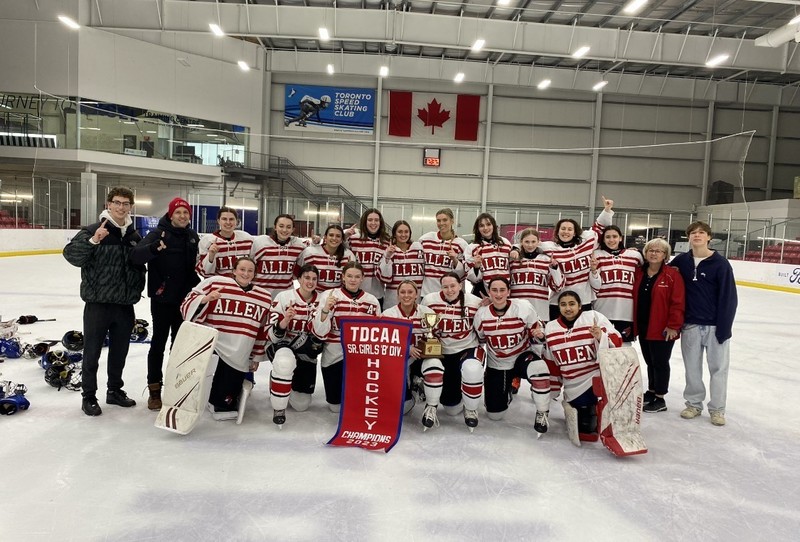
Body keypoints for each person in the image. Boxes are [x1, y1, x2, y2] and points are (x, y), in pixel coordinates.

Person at [63, 187, 146, 416]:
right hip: (98, 305)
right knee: (92, 353)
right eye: (117, 202)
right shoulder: (93, 230)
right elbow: (71, 256)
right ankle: (88, 396)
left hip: (124, 305)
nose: (121, 207)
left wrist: (137, 289)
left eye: (126, 203)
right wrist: (92, 241)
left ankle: (114, 391)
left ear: (131, 207)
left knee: (120, 352)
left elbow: (139, 268)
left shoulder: (133, 236)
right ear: (108, 204)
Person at [180, 256, 272, 420]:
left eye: (250, 270)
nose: (245, 273)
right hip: (211, 345)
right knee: (198, 384)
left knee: (223, 407)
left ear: (255, 274)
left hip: (239, 353)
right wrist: (205, 300)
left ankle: (219, 399)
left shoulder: (264, 298)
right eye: (242, 269)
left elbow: (261, 331)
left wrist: (256, 356)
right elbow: (187, 307)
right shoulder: (215, 283)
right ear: (234, 271)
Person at [130, 197, 200, 410]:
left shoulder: (192, 236)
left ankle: (177, 387)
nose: (182, 216)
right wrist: (153, 248)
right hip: (162, 299)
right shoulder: (157, 233)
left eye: (185, 213)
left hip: (184, 300)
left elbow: (193, 267)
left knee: (180, 347)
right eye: (178, 212)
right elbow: (135, 256)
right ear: (170, 215)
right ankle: (154, 390)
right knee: (158, 345)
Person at [670, 221, 738, 426]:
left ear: (709, 237)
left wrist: (724, 328)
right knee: (692, 368)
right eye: (693, 233)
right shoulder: (681, 261)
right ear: (688, 237)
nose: (697, 236)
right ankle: (693, 404)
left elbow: (729, 298)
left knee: (718, 369)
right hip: (690, 325)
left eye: (701, 233)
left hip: (716, 326)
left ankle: (717, 409)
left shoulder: (720, 264)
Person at [513, 197, 614, 320]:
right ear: (557, 231)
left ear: (575, 232)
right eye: (563, 229)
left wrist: (607, 209)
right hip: (559, 301)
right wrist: (515, 249)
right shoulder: (550, 247)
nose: (566, 232)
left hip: (583, 300)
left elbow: (600, 227)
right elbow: (528, 244)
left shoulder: (586, 242)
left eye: (570, 229)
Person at [473, 278, 550, 434]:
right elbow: (480, 339)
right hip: (498, 363)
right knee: (495, 415)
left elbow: (537, 333)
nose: (498, 294)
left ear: (509, 291)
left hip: (522, 355)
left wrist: (540, 335)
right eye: (494, 290)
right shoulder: (481, 314)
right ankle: (507, 387)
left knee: (539, 369)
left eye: (502, 290)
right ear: (489, 292)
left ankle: (542, 412)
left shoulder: (523, 307)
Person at [542, 291, 622, 441]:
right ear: (558, 307)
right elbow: (551, 361)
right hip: (571, 383)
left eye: (572, 304)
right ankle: (573, 403)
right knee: (585, 432)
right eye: (563, 304)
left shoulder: (593, 317)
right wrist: (553, 388)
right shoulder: (551, 328)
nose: (568, 308)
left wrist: (601, 337)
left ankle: (598, 408)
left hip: (594, 377)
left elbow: (617, 340)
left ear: (580, 306)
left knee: (588, 433)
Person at [312, 261, 381, 412]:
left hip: (360, 358)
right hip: (334, 356)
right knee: (335, 407)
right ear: (343, 277)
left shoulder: (371, 301)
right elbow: (320, 333)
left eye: (357, 276)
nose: (353, 280)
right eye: (349, 276)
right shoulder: (329, 296)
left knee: (357, 404)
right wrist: (325, 310)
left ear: (362, 278)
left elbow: (377, 334)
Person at [420, 272, 484, 430]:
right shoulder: (430, 300)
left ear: (460, 285)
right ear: (440, 287)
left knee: (472, 368)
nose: (449, 290)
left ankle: (470, 409)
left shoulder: (475, 302)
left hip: (467, 348)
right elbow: (426, 329)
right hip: (442, 350)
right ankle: (431, 406)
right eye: (445, 286)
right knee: (451, 409)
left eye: (453, 286)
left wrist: (487, 307)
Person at [262, 264, 323, 426]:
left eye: (314, 279)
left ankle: (283, 379)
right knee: (284, 363)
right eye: (306, 278)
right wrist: (285, 320)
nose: (310, 282)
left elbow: (324, 333)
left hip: (305, 352)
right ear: (299, 279)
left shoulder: (322, 300)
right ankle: (279, 407)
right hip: (282, 344)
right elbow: (270, 335)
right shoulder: (284, 297)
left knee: (300, 405)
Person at [632, 238, 685, 413]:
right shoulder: (639, 273)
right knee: (649, 360)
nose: (654, 253)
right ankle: (652, 391)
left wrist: (673, 326)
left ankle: (660, 398)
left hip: (663, 328)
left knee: (660, 362)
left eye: (659, 251)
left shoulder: (672, 275)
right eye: (651, 250)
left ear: (665, 255)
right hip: (644, 325)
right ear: (645, 253)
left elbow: (678, 302)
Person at [382, 280, 436, 422]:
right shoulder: (388, 314)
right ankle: (409, 389)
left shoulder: (427, 313)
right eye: (403, 292)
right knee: (403, 409)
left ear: (416, 294)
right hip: (399, 358)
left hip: (422, 356)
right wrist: (406, 348)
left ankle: (431, 401)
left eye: (410, 292)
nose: (406, 295)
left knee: (435, 363)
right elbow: (384, 342)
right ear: (397, 295)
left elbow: (435, 337)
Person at [588, 225, 643, 341]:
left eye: (614, 236)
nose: (611, 240)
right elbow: (595, 286)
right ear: (603, 240)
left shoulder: (635, 256)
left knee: (624, 347)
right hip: (602, 309)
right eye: (607, 237)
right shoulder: (597, 255)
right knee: (601, 344)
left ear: (621, 238)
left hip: (626, 311)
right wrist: (593, 270)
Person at [509, 228, 564, 320]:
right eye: (526, 241)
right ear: (521, 242)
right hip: (517, 309)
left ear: (539, 242)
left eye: (533, 241)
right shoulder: (513, 260)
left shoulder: (546, 260)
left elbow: (558, 287)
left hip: (540, 310)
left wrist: (554, 268)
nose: (530, 245)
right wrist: (515, 249)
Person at [251, 214, 309, 297]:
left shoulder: (298, 245)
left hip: (285, 296)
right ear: (275, 227)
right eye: (281, 226)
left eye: (288, 227)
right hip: (259, 294)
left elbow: (300, 267)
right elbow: (250, 264)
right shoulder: (260, 242)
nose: (284, 230)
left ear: (293, 229)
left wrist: (315, 243)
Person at [418, 208, 470, 296]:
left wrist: (455, 260)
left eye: (445, 220)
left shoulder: (461, 244)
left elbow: (463, 274)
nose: (441, 223)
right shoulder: (425, 239)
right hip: (428, 295)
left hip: (451, 295)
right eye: (438, 220)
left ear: (452, 221)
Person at [344, 208, 391, 304]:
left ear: (380, 222)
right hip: (355, 292)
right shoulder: (354, 239)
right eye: (370, 220)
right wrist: (345, 236)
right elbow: (339, 250)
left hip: (377, 294)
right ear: (364, 222)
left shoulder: (386, 242)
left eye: (376, 220)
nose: (373, 223)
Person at [196, 206, 254, 279]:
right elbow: (204, 273)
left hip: (241, 287)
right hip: (218, 287)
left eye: (231, 219)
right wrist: (210, 256)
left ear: (236, 221)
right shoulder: (208, 241)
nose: (228, 222)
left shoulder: (246, 239)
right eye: (224, 219)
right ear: (218, 221)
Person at [380, 220, 425, 308]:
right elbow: (384, 278)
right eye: (400, 232)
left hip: (415, 302)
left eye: (406, 232)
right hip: (392, 303)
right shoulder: (388, 250)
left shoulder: (419, 249)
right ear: (394, 234)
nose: (403, 235)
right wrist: (388, 256)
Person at [466, 213, 512, 298]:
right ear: (477, 228)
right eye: (481, 225)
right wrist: (476, 267)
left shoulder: (505, 242)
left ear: (494, 225)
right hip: (483, 295)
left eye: (488, 224)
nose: (485, 228)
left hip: (504, 293)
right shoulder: (472, 247)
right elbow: (472, 279)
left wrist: (516, 249)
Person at [297, 224, 355, 292]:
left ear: (342, 240)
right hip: (314, 298)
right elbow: (297, 274)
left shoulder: (348, 255)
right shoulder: (310, 252)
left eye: (338, 236)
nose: (334, 238)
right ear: (325, 237)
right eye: (331, 235)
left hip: (337, 298)